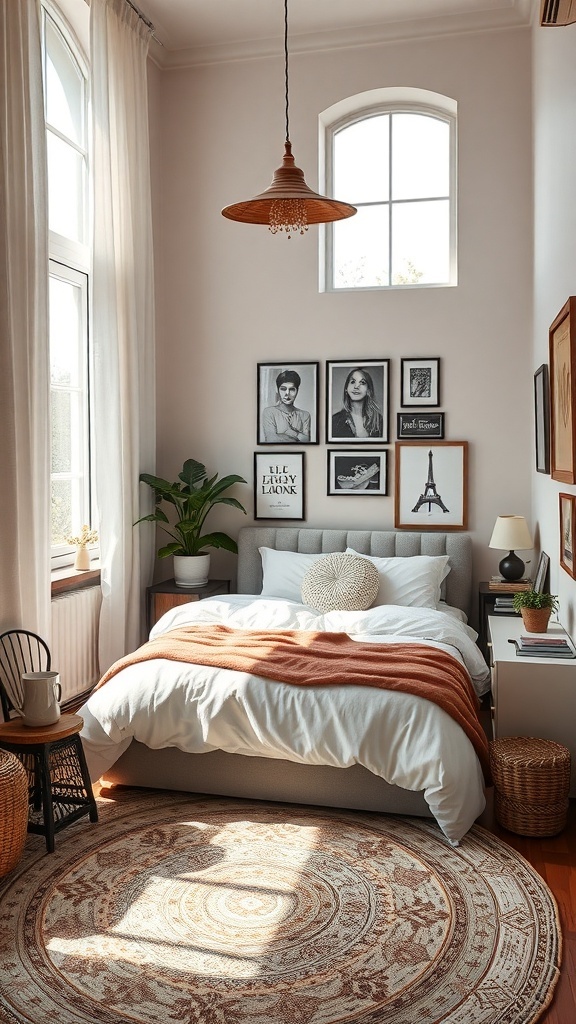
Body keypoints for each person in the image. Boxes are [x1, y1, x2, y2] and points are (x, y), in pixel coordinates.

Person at [331, 367, 383, 439]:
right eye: (352, 382)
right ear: (346, 388)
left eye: (362, 382)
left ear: (368, 390)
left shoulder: (378, 420)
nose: (356, 386)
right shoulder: (335, 421)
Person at [261, 369, 311, 443]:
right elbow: (271, 440)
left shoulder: (305, 415)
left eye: (292, 389)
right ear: (278, 390)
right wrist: (298, 437)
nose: (287, 393)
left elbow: (307, 441)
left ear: (297, 391)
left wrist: (292, 433)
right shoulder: (269, 412)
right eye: (283, 389)